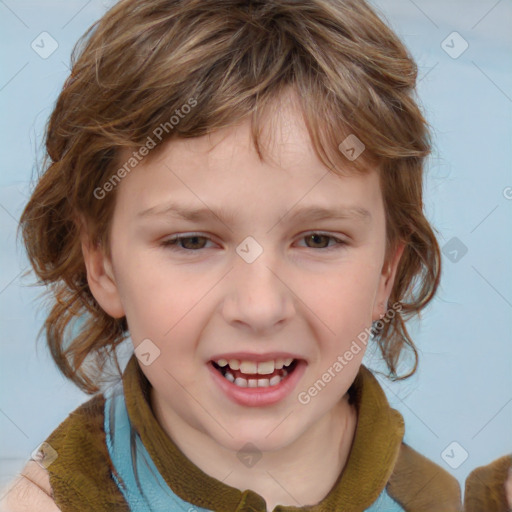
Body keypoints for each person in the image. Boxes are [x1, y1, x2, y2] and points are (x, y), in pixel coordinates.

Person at [4, 0, 500, 510]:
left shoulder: (442, 498)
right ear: (102, 265)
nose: (260, 307)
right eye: (192, 241)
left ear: (386, 272)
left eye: (318, 240)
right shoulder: (50, 502)